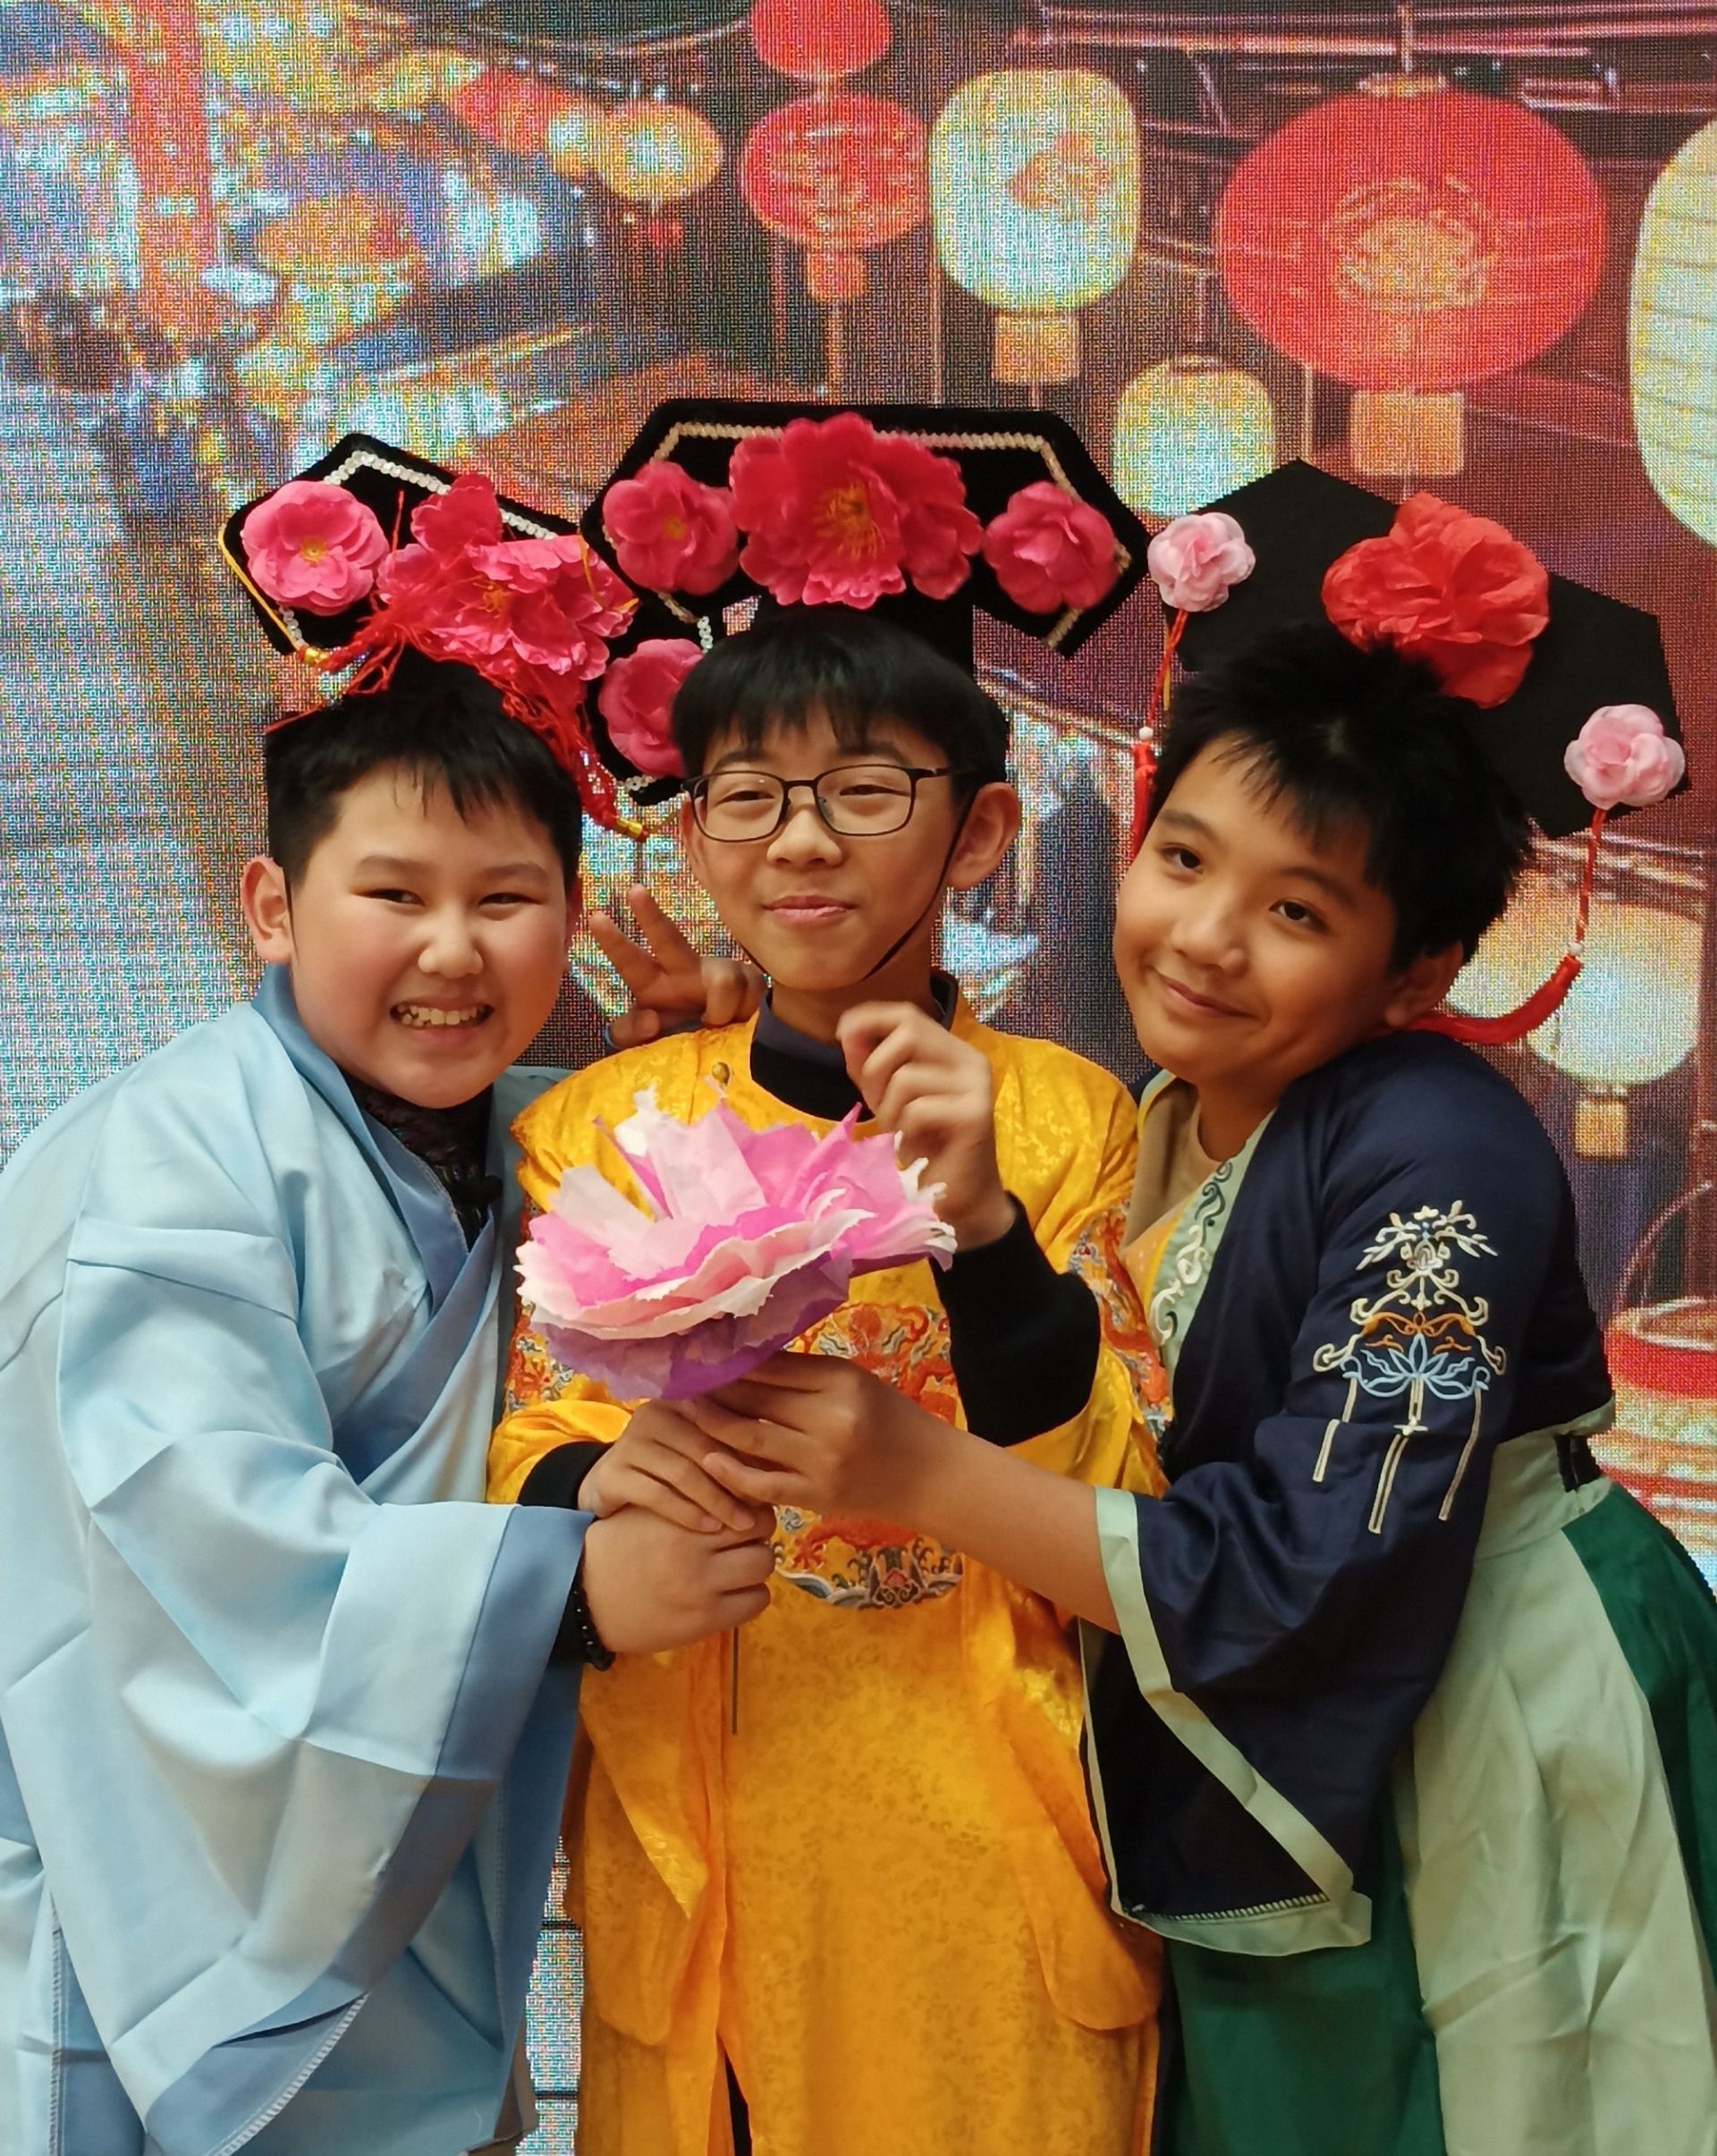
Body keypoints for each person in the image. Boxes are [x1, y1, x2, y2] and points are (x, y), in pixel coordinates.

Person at [693, 464, 1717, 2156]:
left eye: (1298, 910)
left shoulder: (1444, 1152)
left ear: (1417, 973)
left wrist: (919, 1475)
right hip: (1291, 1692)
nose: (1207, 938)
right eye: (1184, 857)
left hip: (1480, 1689)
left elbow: (1317, 1561)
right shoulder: (1177, 1106)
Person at [0, 435, 774, 2156]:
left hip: (398, 1878)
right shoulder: (163, 1162)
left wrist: (672, 1095)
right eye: (394, 893)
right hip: (161, 1904)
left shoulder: (535, 1136)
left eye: (507, 899)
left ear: (571, 912)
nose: (451, 949)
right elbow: (201, 1553)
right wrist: (569, 1592)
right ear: (270, 905)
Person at [488, 402, 1163, 2156]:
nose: (801, 843)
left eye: (866, 791)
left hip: (982, 1854)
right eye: (750, 798)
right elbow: (529, 1440)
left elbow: (1125, 1494)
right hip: (703, 1827)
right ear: (693, 839)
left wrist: (987, 1229)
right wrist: (603, 1491)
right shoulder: (603, 1124)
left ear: (982, 831)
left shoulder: (1072, 1120)